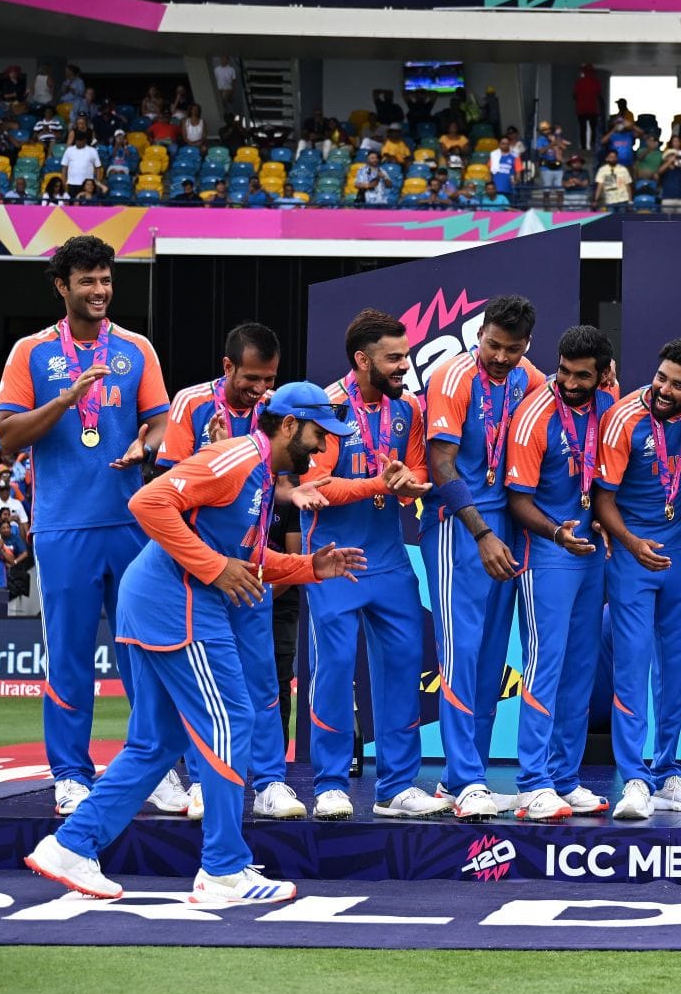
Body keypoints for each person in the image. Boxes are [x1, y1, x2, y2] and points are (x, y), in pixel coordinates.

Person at [23, 385, 366, 906]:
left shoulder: (259, 472)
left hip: (160, 602)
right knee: (233, 719)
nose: (322, 449)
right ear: (290, 425)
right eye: (319, 436)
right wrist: (213, 567)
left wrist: (309, 568)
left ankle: (70, 847)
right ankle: (223, 870)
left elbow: (245, 559)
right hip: (175, 605)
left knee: (155, 744)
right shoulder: (236, 458)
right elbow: (148, 501)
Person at [0, 236, 168, 817]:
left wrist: (144, 444)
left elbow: (161, 426)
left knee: (145, 651)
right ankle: (70, 773)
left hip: (132, 523)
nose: (99, 291)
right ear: (61, 286)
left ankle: (154, 763)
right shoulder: (31, 353)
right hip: (63, 525)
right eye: (87, 281)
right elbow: (10, 436)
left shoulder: (136, 348)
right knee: (68, 654)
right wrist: (66, 400)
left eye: (106, 280)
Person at [296, 310, 451, 821]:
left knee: (405, 669)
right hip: (335, 562)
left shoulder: (406, 407)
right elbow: (318, 488)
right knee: (335, 671)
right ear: (362, 360)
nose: (404, 366)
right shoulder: (325, 405)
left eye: (406, 355)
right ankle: (331, 784)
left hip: (389, 561)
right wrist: (382, 484)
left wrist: (410, 480)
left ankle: (397, 786)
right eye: (394, 358)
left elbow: (417, 468)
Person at [154, 322, 294, 819]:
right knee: (205, 682)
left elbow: (273, 481)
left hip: (251, 563)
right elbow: (167, 486)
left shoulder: (275, 411)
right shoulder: (190, 404)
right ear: (228, 366)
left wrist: (293, 492)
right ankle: (200, 783)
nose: (261, 388)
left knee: (261, 680)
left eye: (269, 378)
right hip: (199, 570)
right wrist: (206, 453)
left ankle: (272, 782)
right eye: (252, 378)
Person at [421, 296, 546, 819]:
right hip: (460, 527)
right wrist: (481, 533)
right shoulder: (452, 377)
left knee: (493, 657)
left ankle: (459, 780)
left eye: (511, 349)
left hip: (509, 525)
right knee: (459, 653)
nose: (499, 356)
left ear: (526, 346)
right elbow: (441, 462)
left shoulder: (529, 376)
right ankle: (468, 778)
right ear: (481, 335)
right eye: (492, 345)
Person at [595, 339, 681, 820]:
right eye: (662, 377)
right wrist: (631, 543)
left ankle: (666, 772)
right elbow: (602, 499)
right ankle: (633, 779)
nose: (664, 389)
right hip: (633, 558)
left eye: (678, 384)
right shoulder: (625, 419)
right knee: (630, 668)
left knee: (674, 672)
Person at [505, 326, 616, 822]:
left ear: (603, 374)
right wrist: (556, 535)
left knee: (580, 668)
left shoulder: (608, 403)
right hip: (547, 552)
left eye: (583, 375)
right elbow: (518, 502)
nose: (570, 382)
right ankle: (533, 782)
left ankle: (564, 778)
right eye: (565, 372)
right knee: (544, 664)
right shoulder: (534, 416)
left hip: (590, 552)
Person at [573, 65, 603, 152]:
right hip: (593, 109)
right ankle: (593, 145)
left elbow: (574, 95)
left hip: (581, 109)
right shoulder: (596, 82)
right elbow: (599, 95)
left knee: (582, 129)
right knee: (594, 129)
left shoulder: (579, 82)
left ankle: (583, 147)